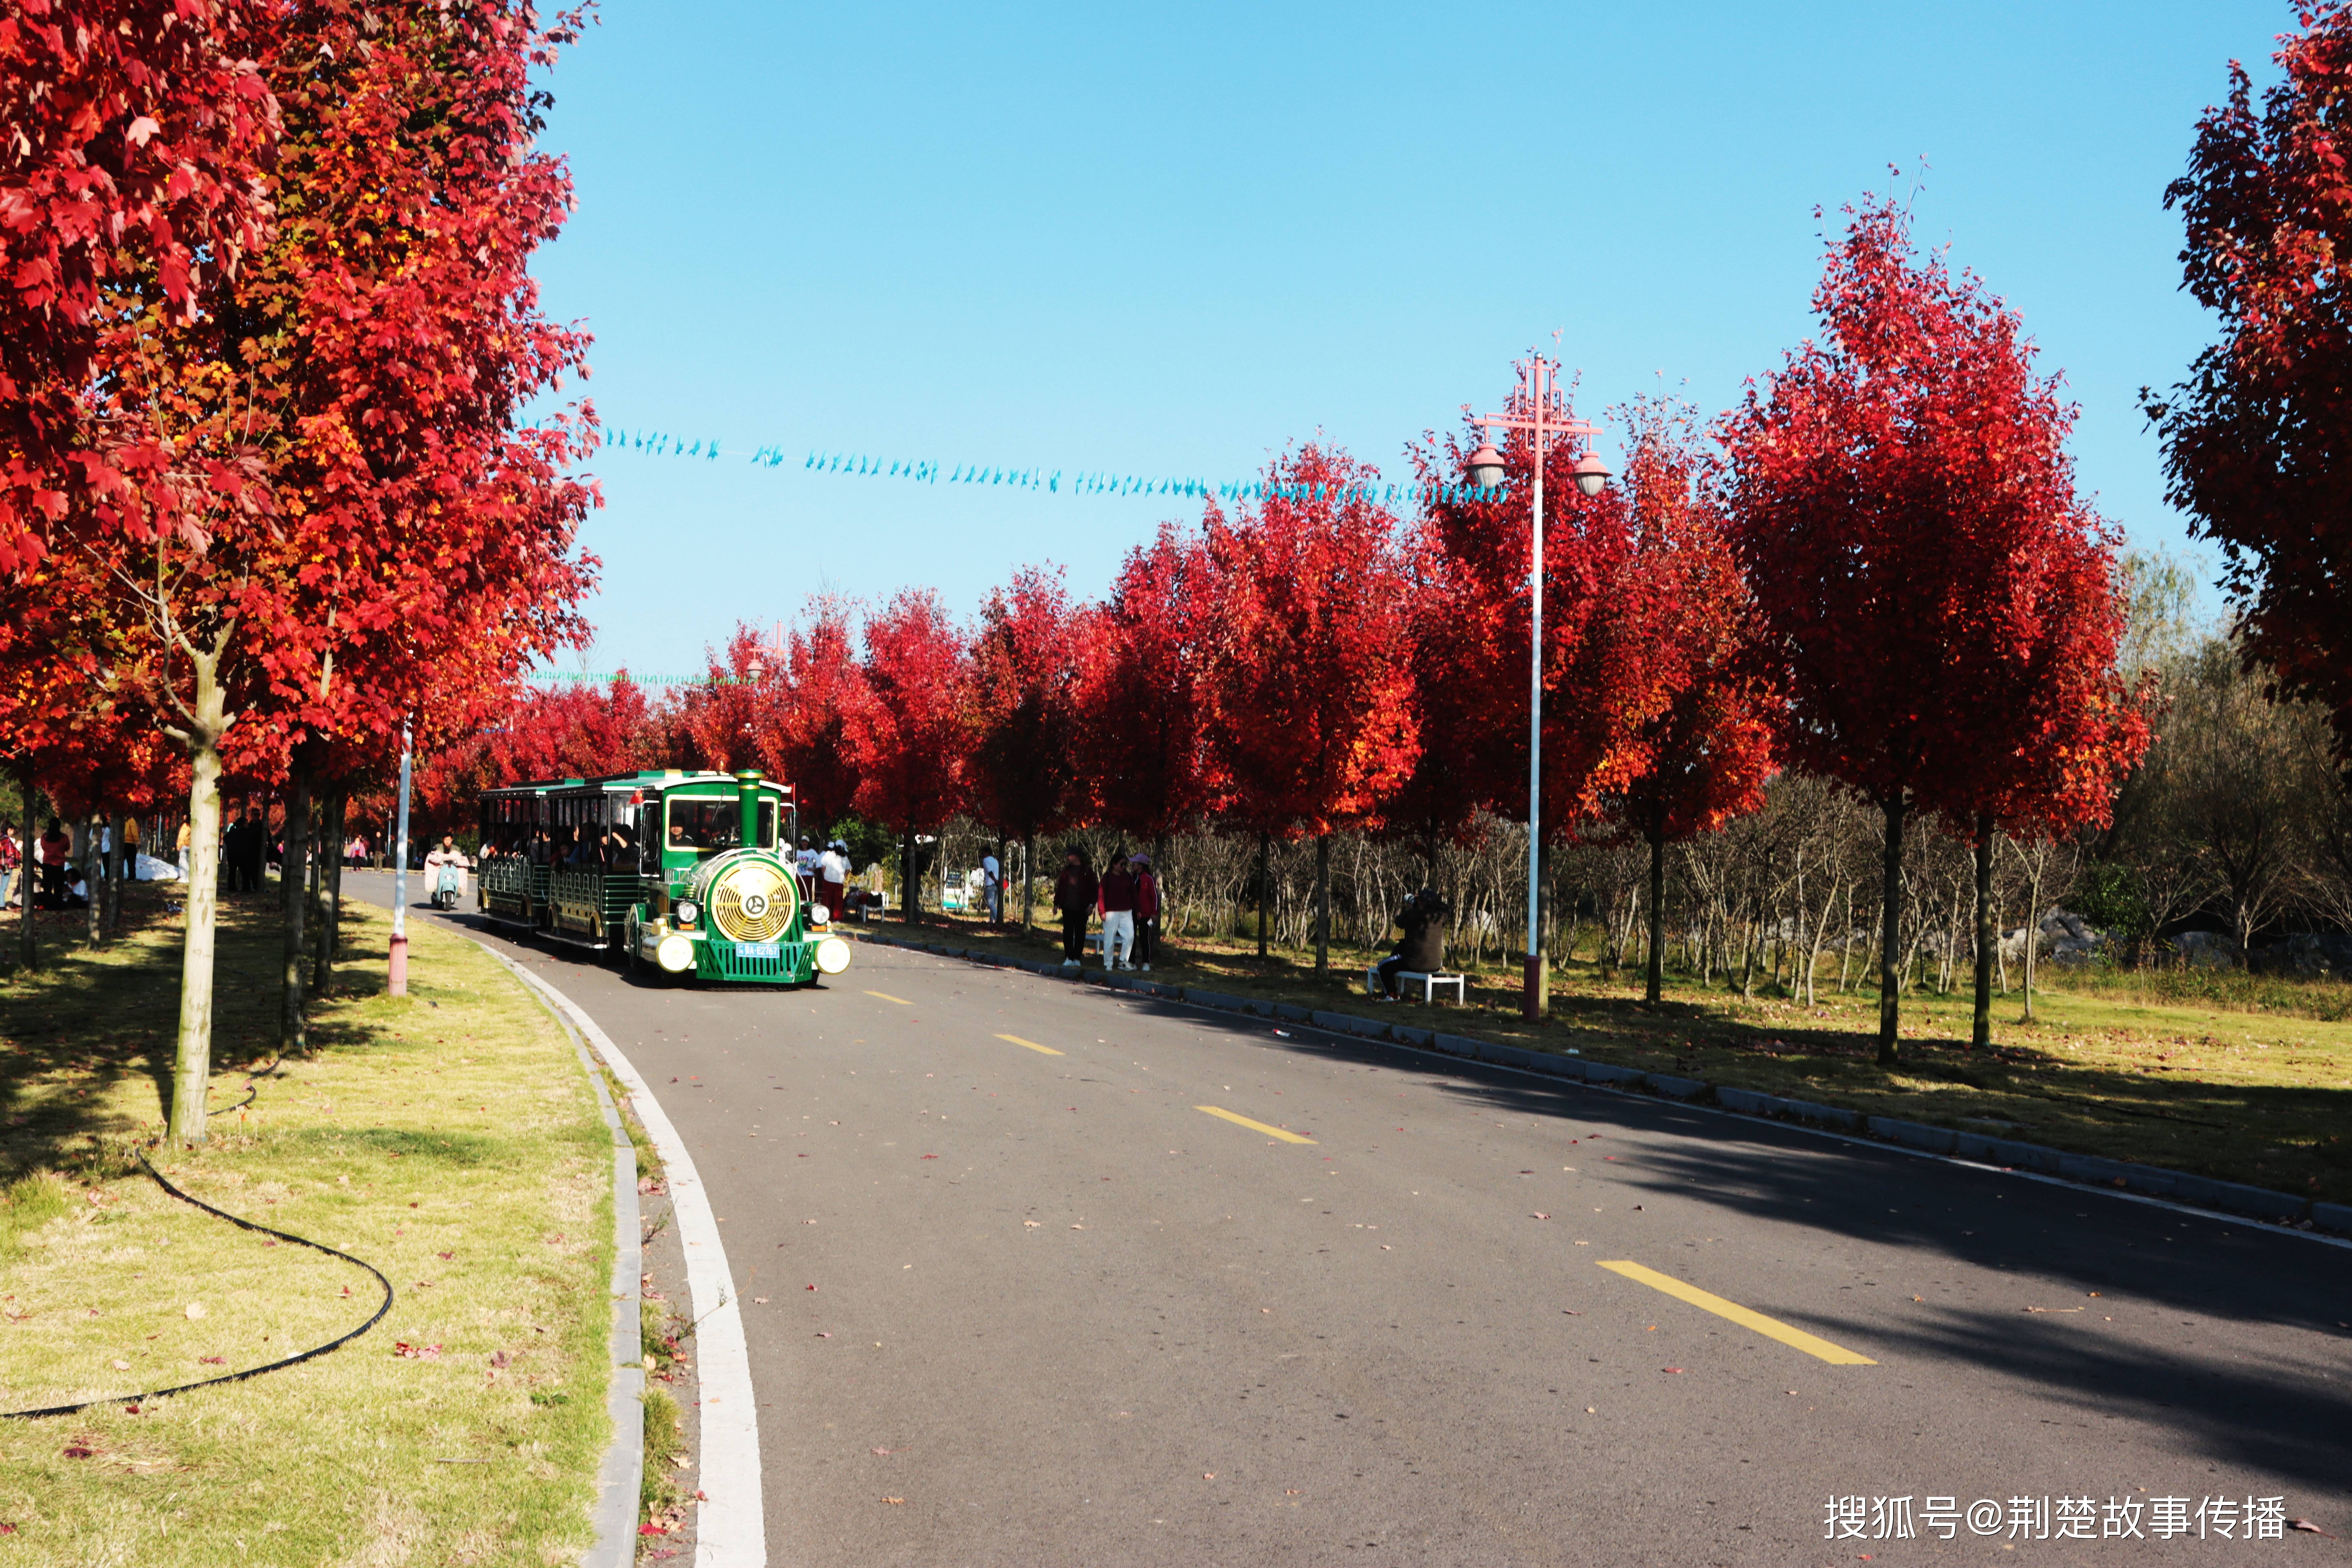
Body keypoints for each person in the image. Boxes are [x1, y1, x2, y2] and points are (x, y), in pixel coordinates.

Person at [1374, 887, 1452, 999]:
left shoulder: (1412, 914)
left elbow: (1398, 922)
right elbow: (1445, 907)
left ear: (1420, 901)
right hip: (1436, 964)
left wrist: (1414, 903)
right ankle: (1427, 997)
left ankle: (1391, 995)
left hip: (1412, 963)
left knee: (1383, 966)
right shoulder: (1442, 915)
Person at [1052, 848, 1097, 970]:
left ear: (1077, 856)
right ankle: (1069, 957)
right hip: (1067, 907)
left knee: (1080, 933)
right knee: (1067, 933)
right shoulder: (1066, 871)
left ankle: (1077, 958)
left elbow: (1094, 889)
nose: (1067, 857)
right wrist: (1056, 904)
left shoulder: (1087, 871)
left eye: (1070, 855)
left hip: (1082, 908)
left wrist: (1092, 904)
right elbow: (1060, 887)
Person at [1097, 852, 1137, 971]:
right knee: (1110, 938)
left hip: (1126, 911)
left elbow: (1134, 893)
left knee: (1130, 936)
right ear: (1114, 864)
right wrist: (1102, 911)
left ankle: (1123, 961)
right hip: (1110, 912)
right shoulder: (1107, 877)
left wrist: (1138, 909)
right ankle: (1108, 963)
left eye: (1126, 865)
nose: (1124, 867)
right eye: (1122, 864)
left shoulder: (1128, 877)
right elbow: (1101, 894)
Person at [1129, 852, 1160, 972]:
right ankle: (1131, 962)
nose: (1133, 865)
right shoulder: (1132, 878)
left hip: (1147, 915)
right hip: (1132, 913)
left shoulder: (1149, 879)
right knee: (1131, 937)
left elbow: (1155, 898)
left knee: (1145, 938)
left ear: (1141, 865)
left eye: (1135, 863)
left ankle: (1146, 962)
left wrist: (1155, 913)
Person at [425, 834, 469, 910]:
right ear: (443, 840)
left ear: (452, 840)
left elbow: (460, 857)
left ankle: (458, 889)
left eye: (449, 840)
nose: (447, 842)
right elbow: (433, 856)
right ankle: (435, 889)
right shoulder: (438, 848)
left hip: (452, 868)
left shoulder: (457, 849)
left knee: (460, 874)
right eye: (446, 840)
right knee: (435, 876)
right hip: (440, 867)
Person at [37, 818, 69, 908]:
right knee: (58, 887)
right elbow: (67, 848)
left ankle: (48, 905)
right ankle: (58, 905)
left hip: (47, 864)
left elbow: (44, 847)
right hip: (59, 865)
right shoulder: (64, 838)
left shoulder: (44, 837)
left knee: (47, 886)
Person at [818, 838, 849, 921]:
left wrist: (824, 875)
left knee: (827, 900)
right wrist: (844, 876)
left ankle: (825, 918)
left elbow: (823, 867)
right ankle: (837, 919)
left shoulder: (828, 854)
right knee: (838, 901)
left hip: (828, 880)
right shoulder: (845, 857)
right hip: (839, 881)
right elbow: (849, 869)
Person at [980, 850, 1002, 924]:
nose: (983, 855)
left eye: (984, 853)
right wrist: (998, 882)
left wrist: (995, 880)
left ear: (988, 853)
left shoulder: (985, 860)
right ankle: (991, 920)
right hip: (997, 885)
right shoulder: (996, 861)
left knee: (990, 904)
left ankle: (998, 920)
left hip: (991, 885)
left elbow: (990, 872)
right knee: (994, 904)